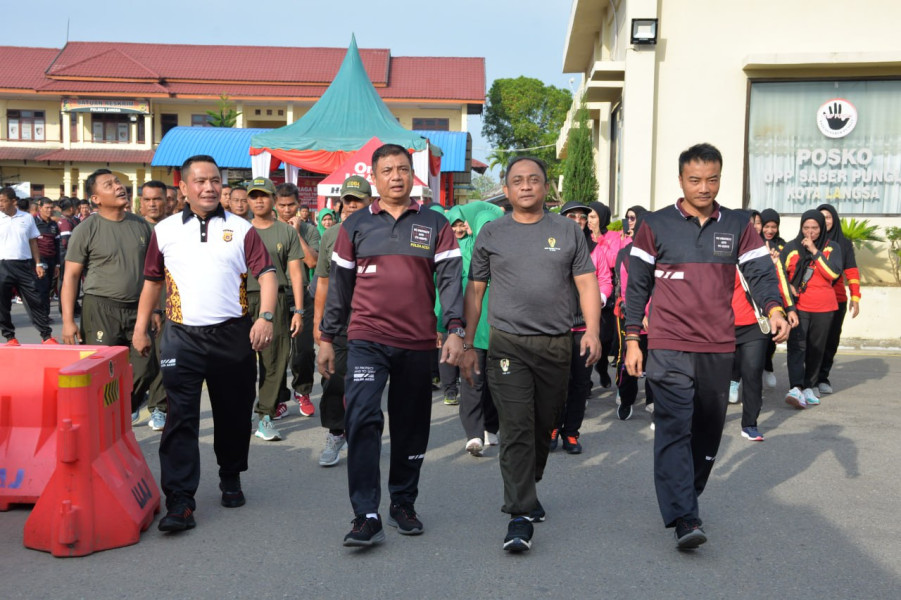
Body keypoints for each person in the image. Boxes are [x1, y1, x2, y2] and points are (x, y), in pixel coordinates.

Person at [624, 143, 789, 550]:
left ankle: (687, 493)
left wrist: (775, 307)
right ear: (680, 180)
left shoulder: (736, 224)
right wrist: (632, 338)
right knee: (674, 426)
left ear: (720, 178)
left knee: (708, 431)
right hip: (668, 344)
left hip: (718, 344)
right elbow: (637, 286)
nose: (704, 187)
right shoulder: (655, 225)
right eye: (695, 180)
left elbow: (760, 271)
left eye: (712, 179)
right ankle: (685, 516)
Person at [318, 144, 464, 547]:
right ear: (375, 178)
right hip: (366, 339)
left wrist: (455, 329)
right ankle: (365, 514)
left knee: (411, 426)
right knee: (362, 419)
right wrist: (327, 338)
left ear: (412, 174)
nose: (396, 176)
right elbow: (339, 288)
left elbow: (451, 280)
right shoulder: (355, 226)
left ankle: (403, 502)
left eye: (403, 169)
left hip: (417, 342)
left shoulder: (435, 223)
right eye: (387, 170)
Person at [461, 157, 601, 553]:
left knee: (544, 427)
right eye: (517, 181)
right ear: (505, 190)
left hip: (556, 344)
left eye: (534, 180)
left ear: (545, 188)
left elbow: (588, 284)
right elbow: (475, 291)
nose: (525, 186)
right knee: (517, 427)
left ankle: (529, 482)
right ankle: (519, 515)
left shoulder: (567, 231)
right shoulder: (492, 233)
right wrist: (469, 343)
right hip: (508, 344)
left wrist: (592, 331)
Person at [132, 155, 277, 533]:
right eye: (200, 181)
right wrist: (141, 326)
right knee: (180, 418)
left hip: (232, 335)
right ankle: (180, 501)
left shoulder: (243, 228)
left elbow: (267, 274)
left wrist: (265, 317)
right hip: (182, 337)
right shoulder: (164, 231)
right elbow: (152, 280)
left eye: (215, 180)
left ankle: (230, 475)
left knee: (233, 413)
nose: (209, 187)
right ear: (182, 187)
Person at [61, 169, 158, 420]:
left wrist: (156, 309)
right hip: (101, 309)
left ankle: (120, 412)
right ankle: (103, 422)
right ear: (96, 199)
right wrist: (68, 321)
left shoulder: (141, 226)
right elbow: (71, 276)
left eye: (117, 181)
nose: (118, 186)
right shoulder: (87, 228)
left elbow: (155, 274)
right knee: (103, 372)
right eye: (109, 184)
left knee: (146, 368)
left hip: (138, 309)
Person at [312, 175, 372, 466]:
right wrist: (318, 323)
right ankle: (337, 433)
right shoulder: (330, 235)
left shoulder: (382, 231)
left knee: (366, 385)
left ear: (370, 202)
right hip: (338, 323)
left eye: (357, 200)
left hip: (373, 321)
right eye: (346, 201)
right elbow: (322, 282)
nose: (350, 206)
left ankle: (362, 436)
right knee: (333, 381)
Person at [728, 211, 798, 442]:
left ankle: (750, 424)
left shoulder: (764, 256)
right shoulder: (719, 255)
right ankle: (709, 422)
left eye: (755, 225)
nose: (753, 229)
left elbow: (777, 285)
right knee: (717, 378)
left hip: (755, 324)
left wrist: (786, 310)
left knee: (752, 374)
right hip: (723, 326)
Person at [245, 178, 304, 441]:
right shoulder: (239, 229)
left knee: (274, 361)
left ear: (273, 200)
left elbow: (295, 272)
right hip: (241, 299)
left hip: (276, 300)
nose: (259, 201)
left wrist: (299, 311)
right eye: (254, 196)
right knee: (240, 363)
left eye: (264, 196)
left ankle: (266, 415)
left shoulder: (286, 232)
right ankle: (239, 411)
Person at [553, 201, 611, 454]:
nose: (577, 220)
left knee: (580, 383)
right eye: (571, 215)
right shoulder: (551, 246)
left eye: (582, 217)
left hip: (584, 327)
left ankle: (572, 432)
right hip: (556, 326)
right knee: (557, 383)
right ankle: (552, 428)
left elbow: (605, 280)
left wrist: (600, 298)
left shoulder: (595, 249)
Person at [782, 210, 842, 409]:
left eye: (814, 228)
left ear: (821, 228)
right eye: (806, 228)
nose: (810, 232)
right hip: (798, 307)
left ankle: (810, 385)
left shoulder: (832, 247)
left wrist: (815, 252)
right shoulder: (791, 247)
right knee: (797, 347)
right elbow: (779, 274)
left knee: (817, 349)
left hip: (824, 307)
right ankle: (796, 387)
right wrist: (788, 290)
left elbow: (832, 274)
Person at [274, 183, 319, 418]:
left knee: (303, 350)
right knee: (278, 350)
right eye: (281, 205)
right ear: (275, 205)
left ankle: (302, 391)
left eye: (291, 205)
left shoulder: (310, 230)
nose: (286, 210)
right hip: (276, 296)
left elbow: (312, 262)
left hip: (303, 295)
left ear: (299, 204)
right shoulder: (268, 228)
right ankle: (278, 398)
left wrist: (296, 233)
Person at [612, 206, 655, 422]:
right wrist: (639, 315)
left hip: (656, 319)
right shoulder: (625, 255)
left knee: (655, 363)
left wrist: (653, 313)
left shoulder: (660, 254)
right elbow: (624, 288)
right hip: (632, 317)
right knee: (630, 361)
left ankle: (652, 401)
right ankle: (626, 400)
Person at [0, 187, 57, 345]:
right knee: (2, 304)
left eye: (3, 201)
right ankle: (10, 337)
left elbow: (33, 241)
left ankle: (46, 336)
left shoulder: (26, 218)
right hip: (2, 265)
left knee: (35, 300)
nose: (0, 204)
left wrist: (38, 263)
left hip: (24, 265)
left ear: (13, 201)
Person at [816, 203, 861, 395]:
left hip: (837, 300)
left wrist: (855, 297)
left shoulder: (843, 244)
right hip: (812, 300)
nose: (825, 220)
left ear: (834, 219)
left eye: (828, 217)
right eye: (821, 217)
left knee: (831, 340)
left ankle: (822, 377)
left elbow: (851, 270)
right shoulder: (809, 240)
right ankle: (808, 378)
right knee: (813, 341)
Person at [139, 180, 170, 431]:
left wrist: (158, 308)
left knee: (162, 358)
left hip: (167, 305)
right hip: (134, 305)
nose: (153, 204)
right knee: (139, 363)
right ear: (141, 203)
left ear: (167, 200)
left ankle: (158, 407)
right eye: (147, 200)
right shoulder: (134, 227)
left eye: (157, 199)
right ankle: (132, 401)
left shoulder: (174, 228)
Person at [586, 201, 620, 388]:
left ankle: (602, 366)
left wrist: (599, 240)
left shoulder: (614, 237)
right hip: (588, 292)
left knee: (605, 338)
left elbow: (613, 259)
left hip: (608, 293)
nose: (589, 221)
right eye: (588, 217)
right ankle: (587, 379)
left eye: (593, 217)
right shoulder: (584, 237)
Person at [759, 208, 787, 389]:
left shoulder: (783, 246)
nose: (770, 230)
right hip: (757, 297)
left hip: (776, 298)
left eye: (773, 227)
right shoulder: (754, 243)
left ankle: (767, 367)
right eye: (766, 226)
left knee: (772, 337)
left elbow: (787, 271)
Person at [33, 198, 61, 308]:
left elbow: (57, 244)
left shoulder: (54, 224)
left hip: (52, 260)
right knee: (42, 287)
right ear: (40, 208)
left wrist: (57, 264)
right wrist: (36, 263)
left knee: (49, 287)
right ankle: (41, 315)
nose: (49, 210)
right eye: (47, 208)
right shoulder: (33, 222)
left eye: (51, 208)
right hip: (39, 260)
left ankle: (45, 313)